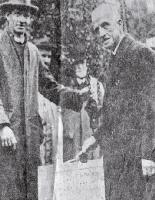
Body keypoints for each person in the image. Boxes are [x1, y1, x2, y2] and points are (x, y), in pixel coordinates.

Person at [77, 2, 155, 200]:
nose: (101, 33)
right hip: (116, 161)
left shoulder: (140, 53)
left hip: (137, 161)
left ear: (119, 23)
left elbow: (151, 108)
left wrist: (149, 155)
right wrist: (95, 138)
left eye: (106, 25)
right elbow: (116, 114)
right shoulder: (114, 58)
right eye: (96, 30)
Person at [0, 0, 63, 199]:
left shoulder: (33, 51)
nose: (22, 20)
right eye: (17, 13)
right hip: (6, 137)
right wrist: (3, 125)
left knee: (30, 193)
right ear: (7, 15)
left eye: (26, 16)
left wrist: (79, 97)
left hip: (30, 139)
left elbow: (50, 86)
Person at [61, 55, 104, 162]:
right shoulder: (66, 86)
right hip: (72, 134)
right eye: (76, 64)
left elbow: (104, 109)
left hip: (90, 132)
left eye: (82, 63)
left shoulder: (97, 85)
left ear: (86, 65)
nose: (79, 67)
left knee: (92, 163)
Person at [37, 37, 58, 165]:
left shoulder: (51, 85)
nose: (46, 60)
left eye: (49, 56)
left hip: (51, 153)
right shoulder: (28, 84)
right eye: (43, 56)